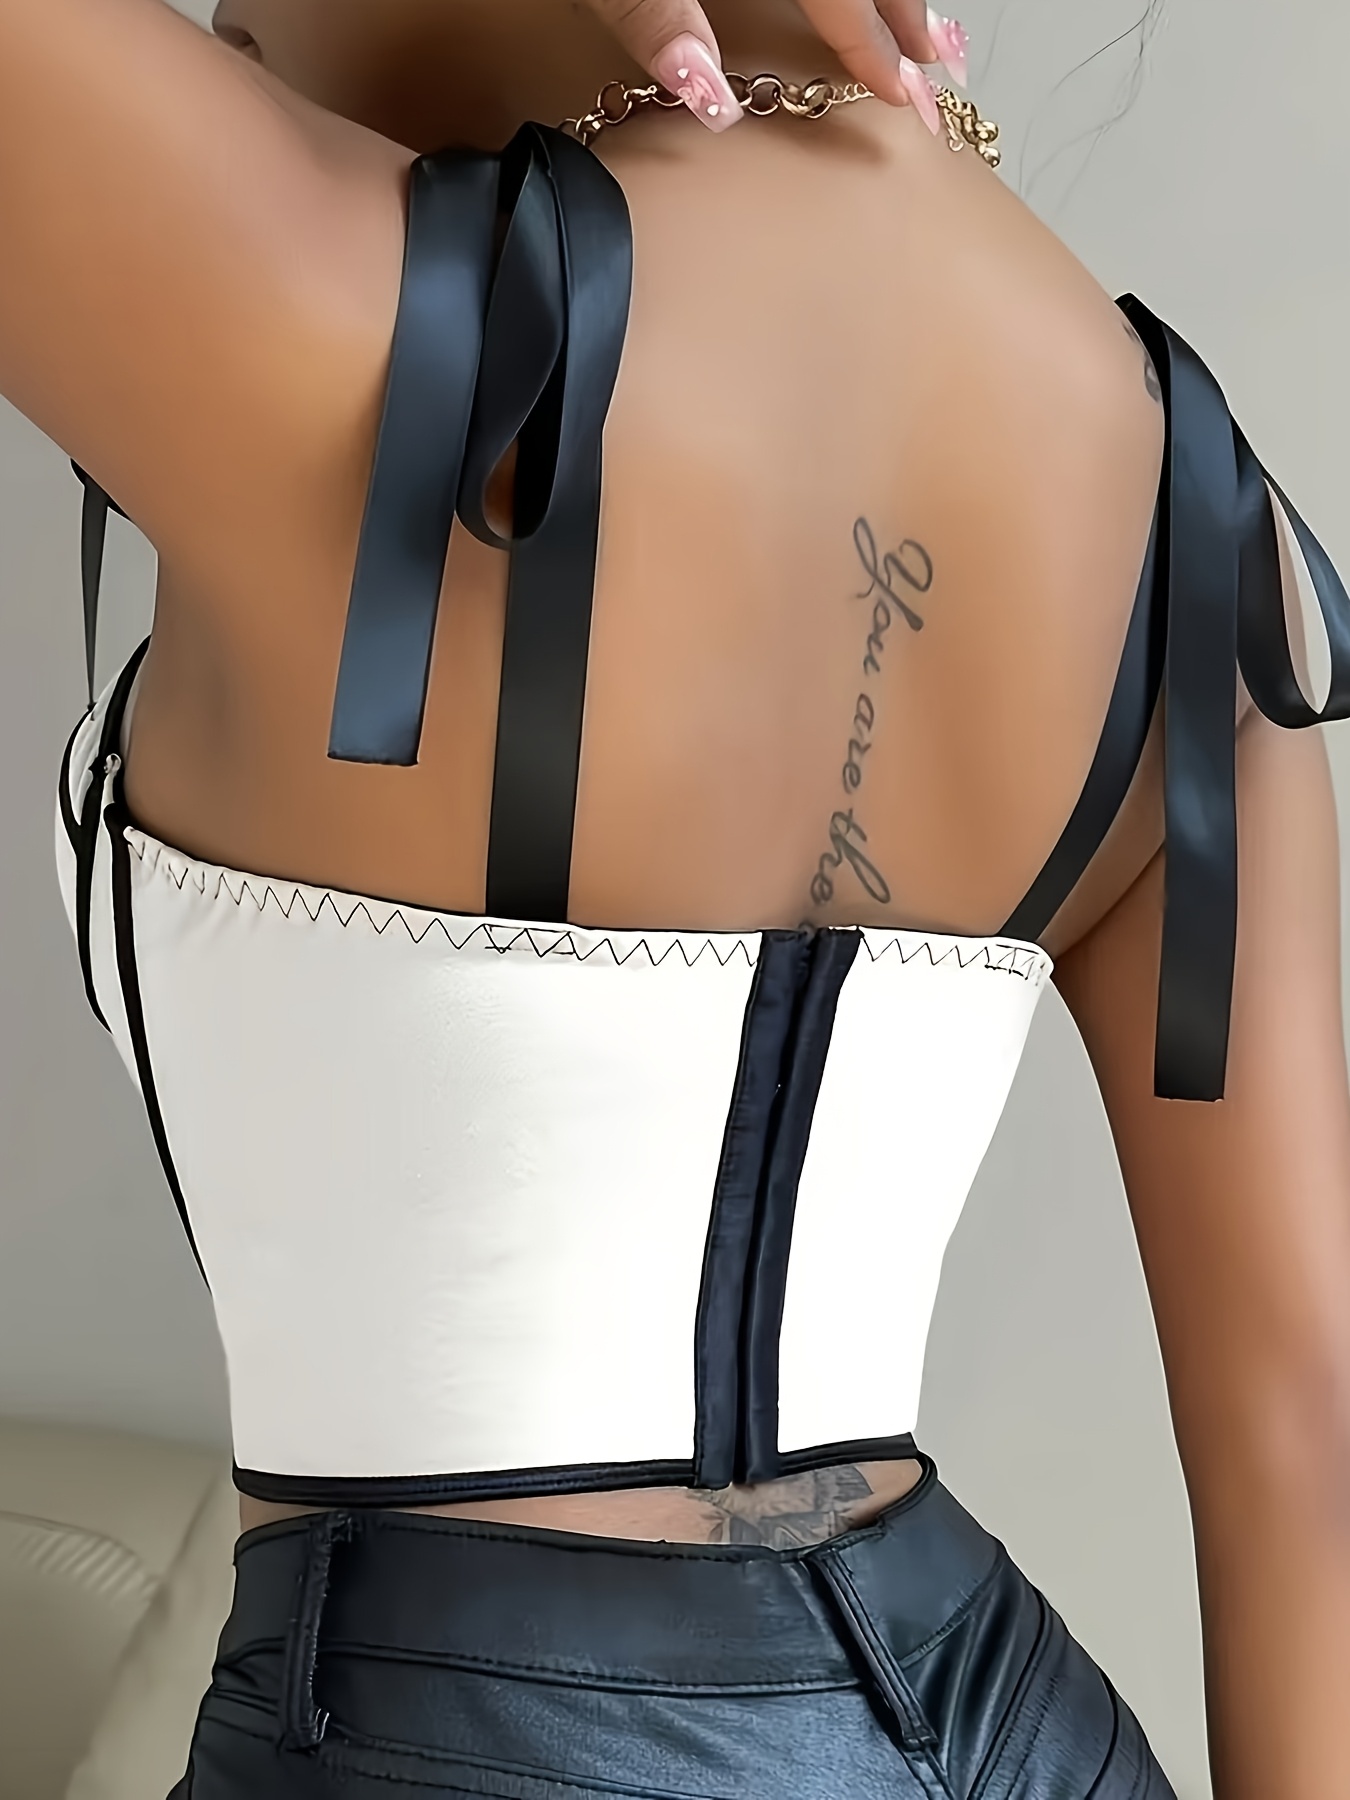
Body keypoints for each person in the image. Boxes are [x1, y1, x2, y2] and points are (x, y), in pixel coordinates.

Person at [5, 0, 1350, 1794]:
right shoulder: (1196, 513)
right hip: (1021, 1735)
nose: (216, 31)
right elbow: (1302, 1441)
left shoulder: (341, 308)